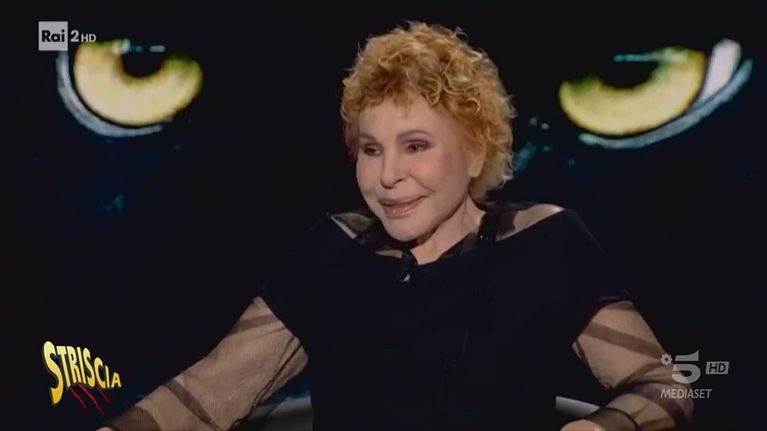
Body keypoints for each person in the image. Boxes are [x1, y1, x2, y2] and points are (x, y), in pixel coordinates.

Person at [99, 22, 694, 430]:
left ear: (476, 150)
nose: (387, 176)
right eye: (370, 149)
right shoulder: (333, 252)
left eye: (415, 146)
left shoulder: (547, 242)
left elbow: (665, 386)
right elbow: (206, 395)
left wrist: (602, 428)